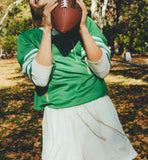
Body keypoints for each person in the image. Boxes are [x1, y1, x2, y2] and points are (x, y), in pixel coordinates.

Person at [17, 0, 138, 159]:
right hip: (58, 114)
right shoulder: (28, 37)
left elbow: (102, 70)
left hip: (97, 107)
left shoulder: (85, 23)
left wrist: (82, 28)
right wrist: (47, 29)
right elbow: (40, 79)